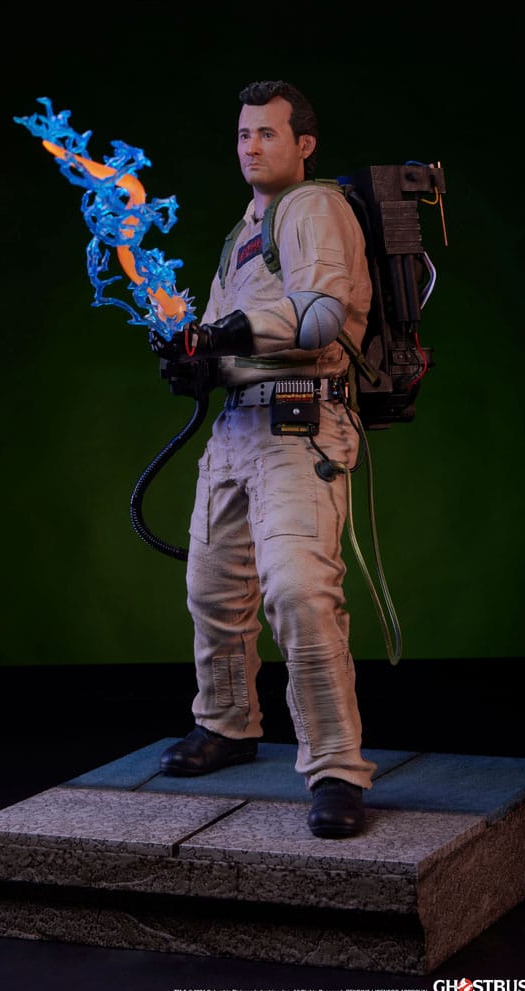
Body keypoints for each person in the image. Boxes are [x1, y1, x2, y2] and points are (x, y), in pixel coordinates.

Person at [149, 80, 375, 838]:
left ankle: (336, 768)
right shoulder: (244, 231)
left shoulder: (313, 207)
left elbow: (319, 316)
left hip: (297, 425)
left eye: (268, 133)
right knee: (214, 590)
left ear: (303, 144)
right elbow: (226, 334)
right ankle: (226, 723)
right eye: (244, 134)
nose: (252, 146)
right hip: (237, 429)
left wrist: (227, 335)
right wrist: (197, 361)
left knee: (300, 592)